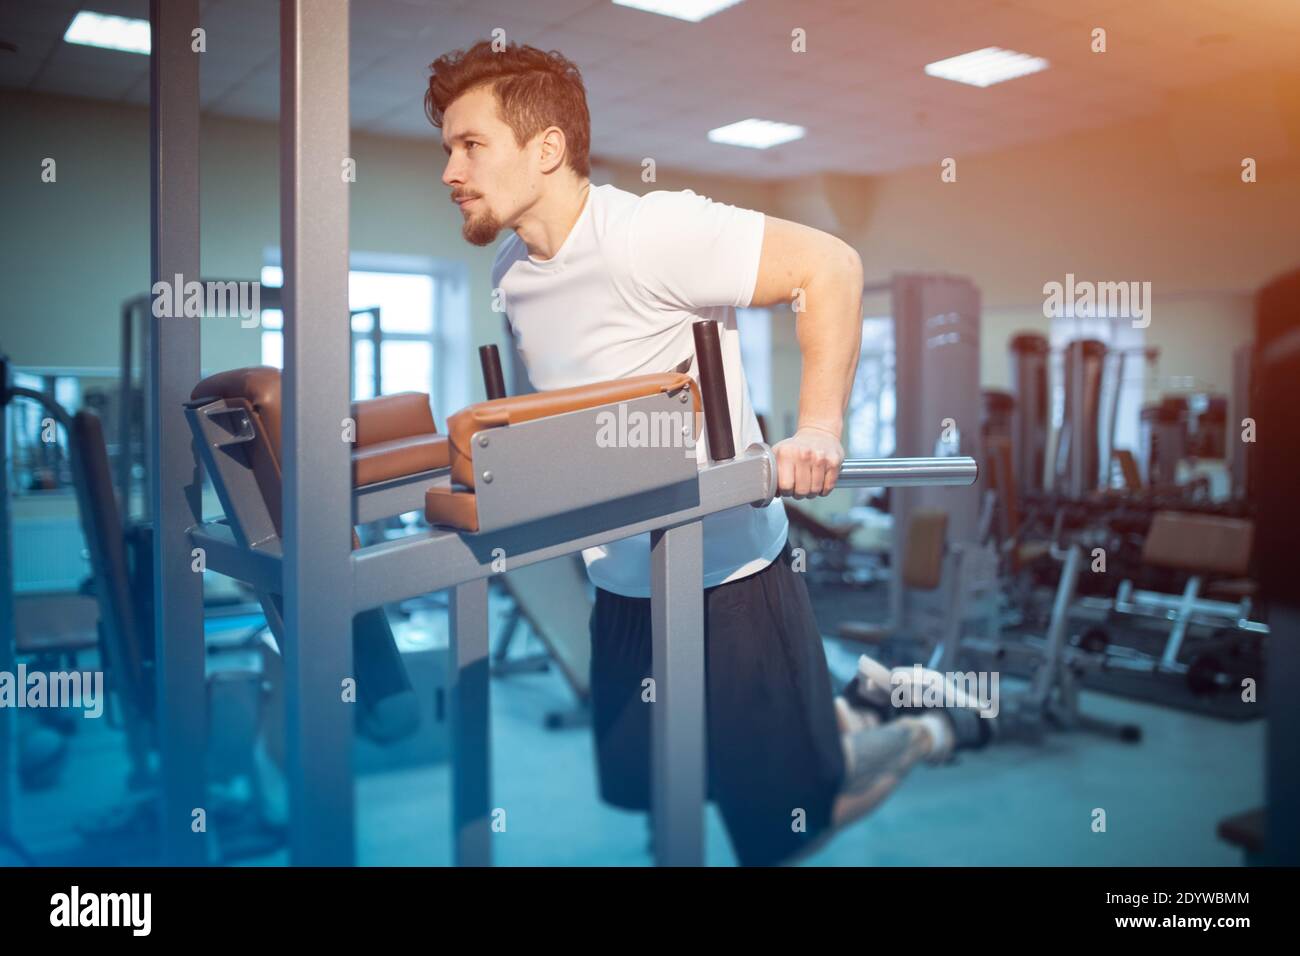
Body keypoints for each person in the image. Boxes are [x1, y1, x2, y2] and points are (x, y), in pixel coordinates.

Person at [425, 41, 984, 866]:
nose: (451, 170)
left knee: (787, 825)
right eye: (447, 149)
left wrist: (819, 429)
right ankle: (841, 718)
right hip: (621, 592)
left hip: (731, 588)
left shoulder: (652, 233)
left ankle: (913, 733)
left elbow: (830, 266)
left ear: (546, 149)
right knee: (660, 804)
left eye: (471, 145)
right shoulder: (513, 273)